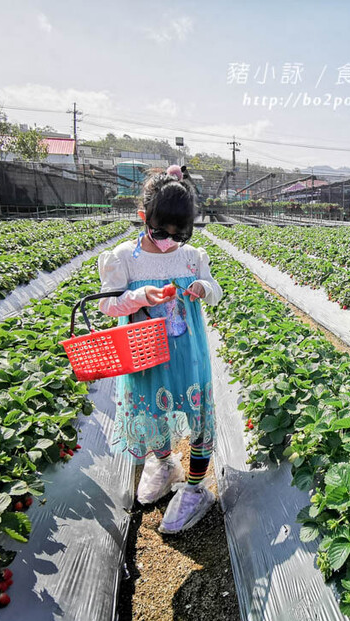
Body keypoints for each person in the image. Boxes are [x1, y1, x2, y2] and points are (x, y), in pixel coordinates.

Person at [97, 166, 223, 516]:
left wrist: (203, 288)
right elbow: (108, 304)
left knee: (197, 416)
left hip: (188, 354)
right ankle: (166, 464)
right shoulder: (125, 258)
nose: (168, 239)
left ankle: (196, 488)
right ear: (143, 218)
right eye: (159, 231)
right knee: (154, 412)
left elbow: (216, 290)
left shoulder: (191, 257)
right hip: (146, 355)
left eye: (178, 233)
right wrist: (138, 297)